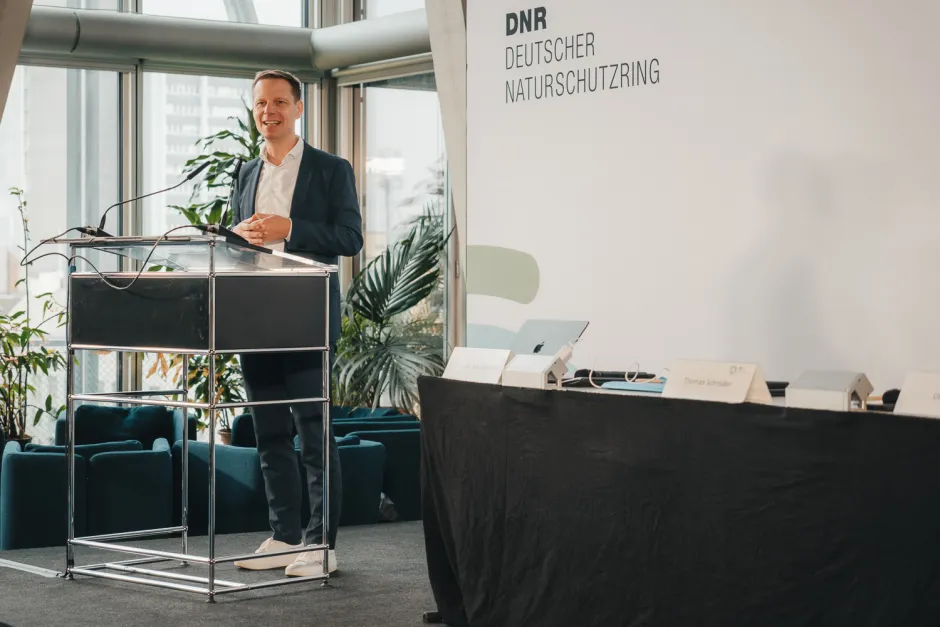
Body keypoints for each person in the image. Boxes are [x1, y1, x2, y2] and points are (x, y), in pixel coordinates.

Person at [230, 69, 363, 577]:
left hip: (306, 316)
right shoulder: (245, 172)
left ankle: (320, 545)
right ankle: (285, 536)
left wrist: (291, 229)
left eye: (280, 102)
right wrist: (239, 237)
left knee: (313, 432)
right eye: (261, 103)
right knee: (269, 435)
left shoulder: (331, 169)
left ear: (299, 108)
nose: (269, 111)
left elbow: (350, 237)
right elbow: (239, 248)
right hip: (254, 318)